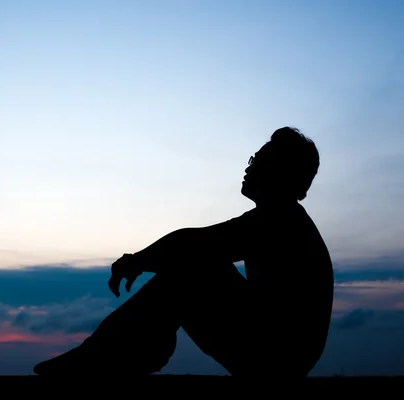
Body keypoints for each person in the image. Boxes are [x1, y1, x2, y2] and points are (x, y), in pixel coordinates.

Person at [33, 127, 334, 379]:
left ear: (278, 173)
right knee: (195, 267)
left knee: (192, 271)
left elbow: (193, 243)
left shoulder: (279, 220)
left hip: (276, 357)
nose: (249, 165)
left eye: (259, 159)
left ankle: (103, 356)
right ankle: (112, 354)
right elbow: (198, 242)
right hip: (277, 353)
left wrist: (138, 260)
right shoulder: (279, 219)